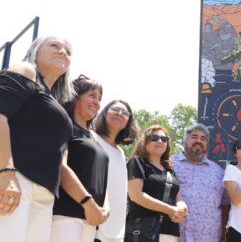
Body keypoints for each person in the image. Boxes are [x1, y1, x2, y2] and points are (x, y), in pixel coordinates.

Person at [0, 36, 74, 241]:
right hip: (14, 180)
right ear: (35, 51)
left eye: (67, 51)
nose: (62, 52)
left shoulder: (56, 100)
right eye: (54, 45)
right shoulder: (26, 71)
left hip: (44, 194)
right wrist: (6, 173)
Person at [50, 76, 109, 242]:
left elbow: (102, 180)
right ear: (75, 95)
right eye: (92, 95)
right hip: (65, 216)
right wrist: (88, 203)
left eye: (99, 98)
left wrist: (104, 209)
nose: (97, 102)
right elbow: (61, 167)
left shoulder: (95, 139)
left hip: (91, 220)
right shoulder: (65, 125)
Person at [127, 125, 188, 242]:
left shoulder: (170, 170)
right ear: (145, 141)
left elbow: (178, 198)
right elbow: (136, 196)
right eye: (154, 137)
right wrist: (170, 210)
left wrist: (182, 207)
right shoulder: (137, 162)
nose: (160, 141)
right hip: (142, 230)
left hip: (169, 231)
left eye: (164, 139)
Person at [93, 99, 139, 242]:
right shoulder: (90, 138)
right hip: (94, 221)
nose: (119, 113)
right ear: (104, 112)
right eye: (115, 109)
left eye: (125, 112)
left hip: (117, 228)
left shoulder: (120, 152)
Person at [173, 123, 227, 242]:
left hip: (209, 236)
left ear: (207, 145)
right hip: (174, 234)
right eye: (194, 137)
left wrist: (223, 233)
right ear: (185, 140)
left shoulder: (217, 172)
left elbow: (225, 205)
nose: (199, 141)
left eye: (203, 139)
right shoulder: (170, 165)